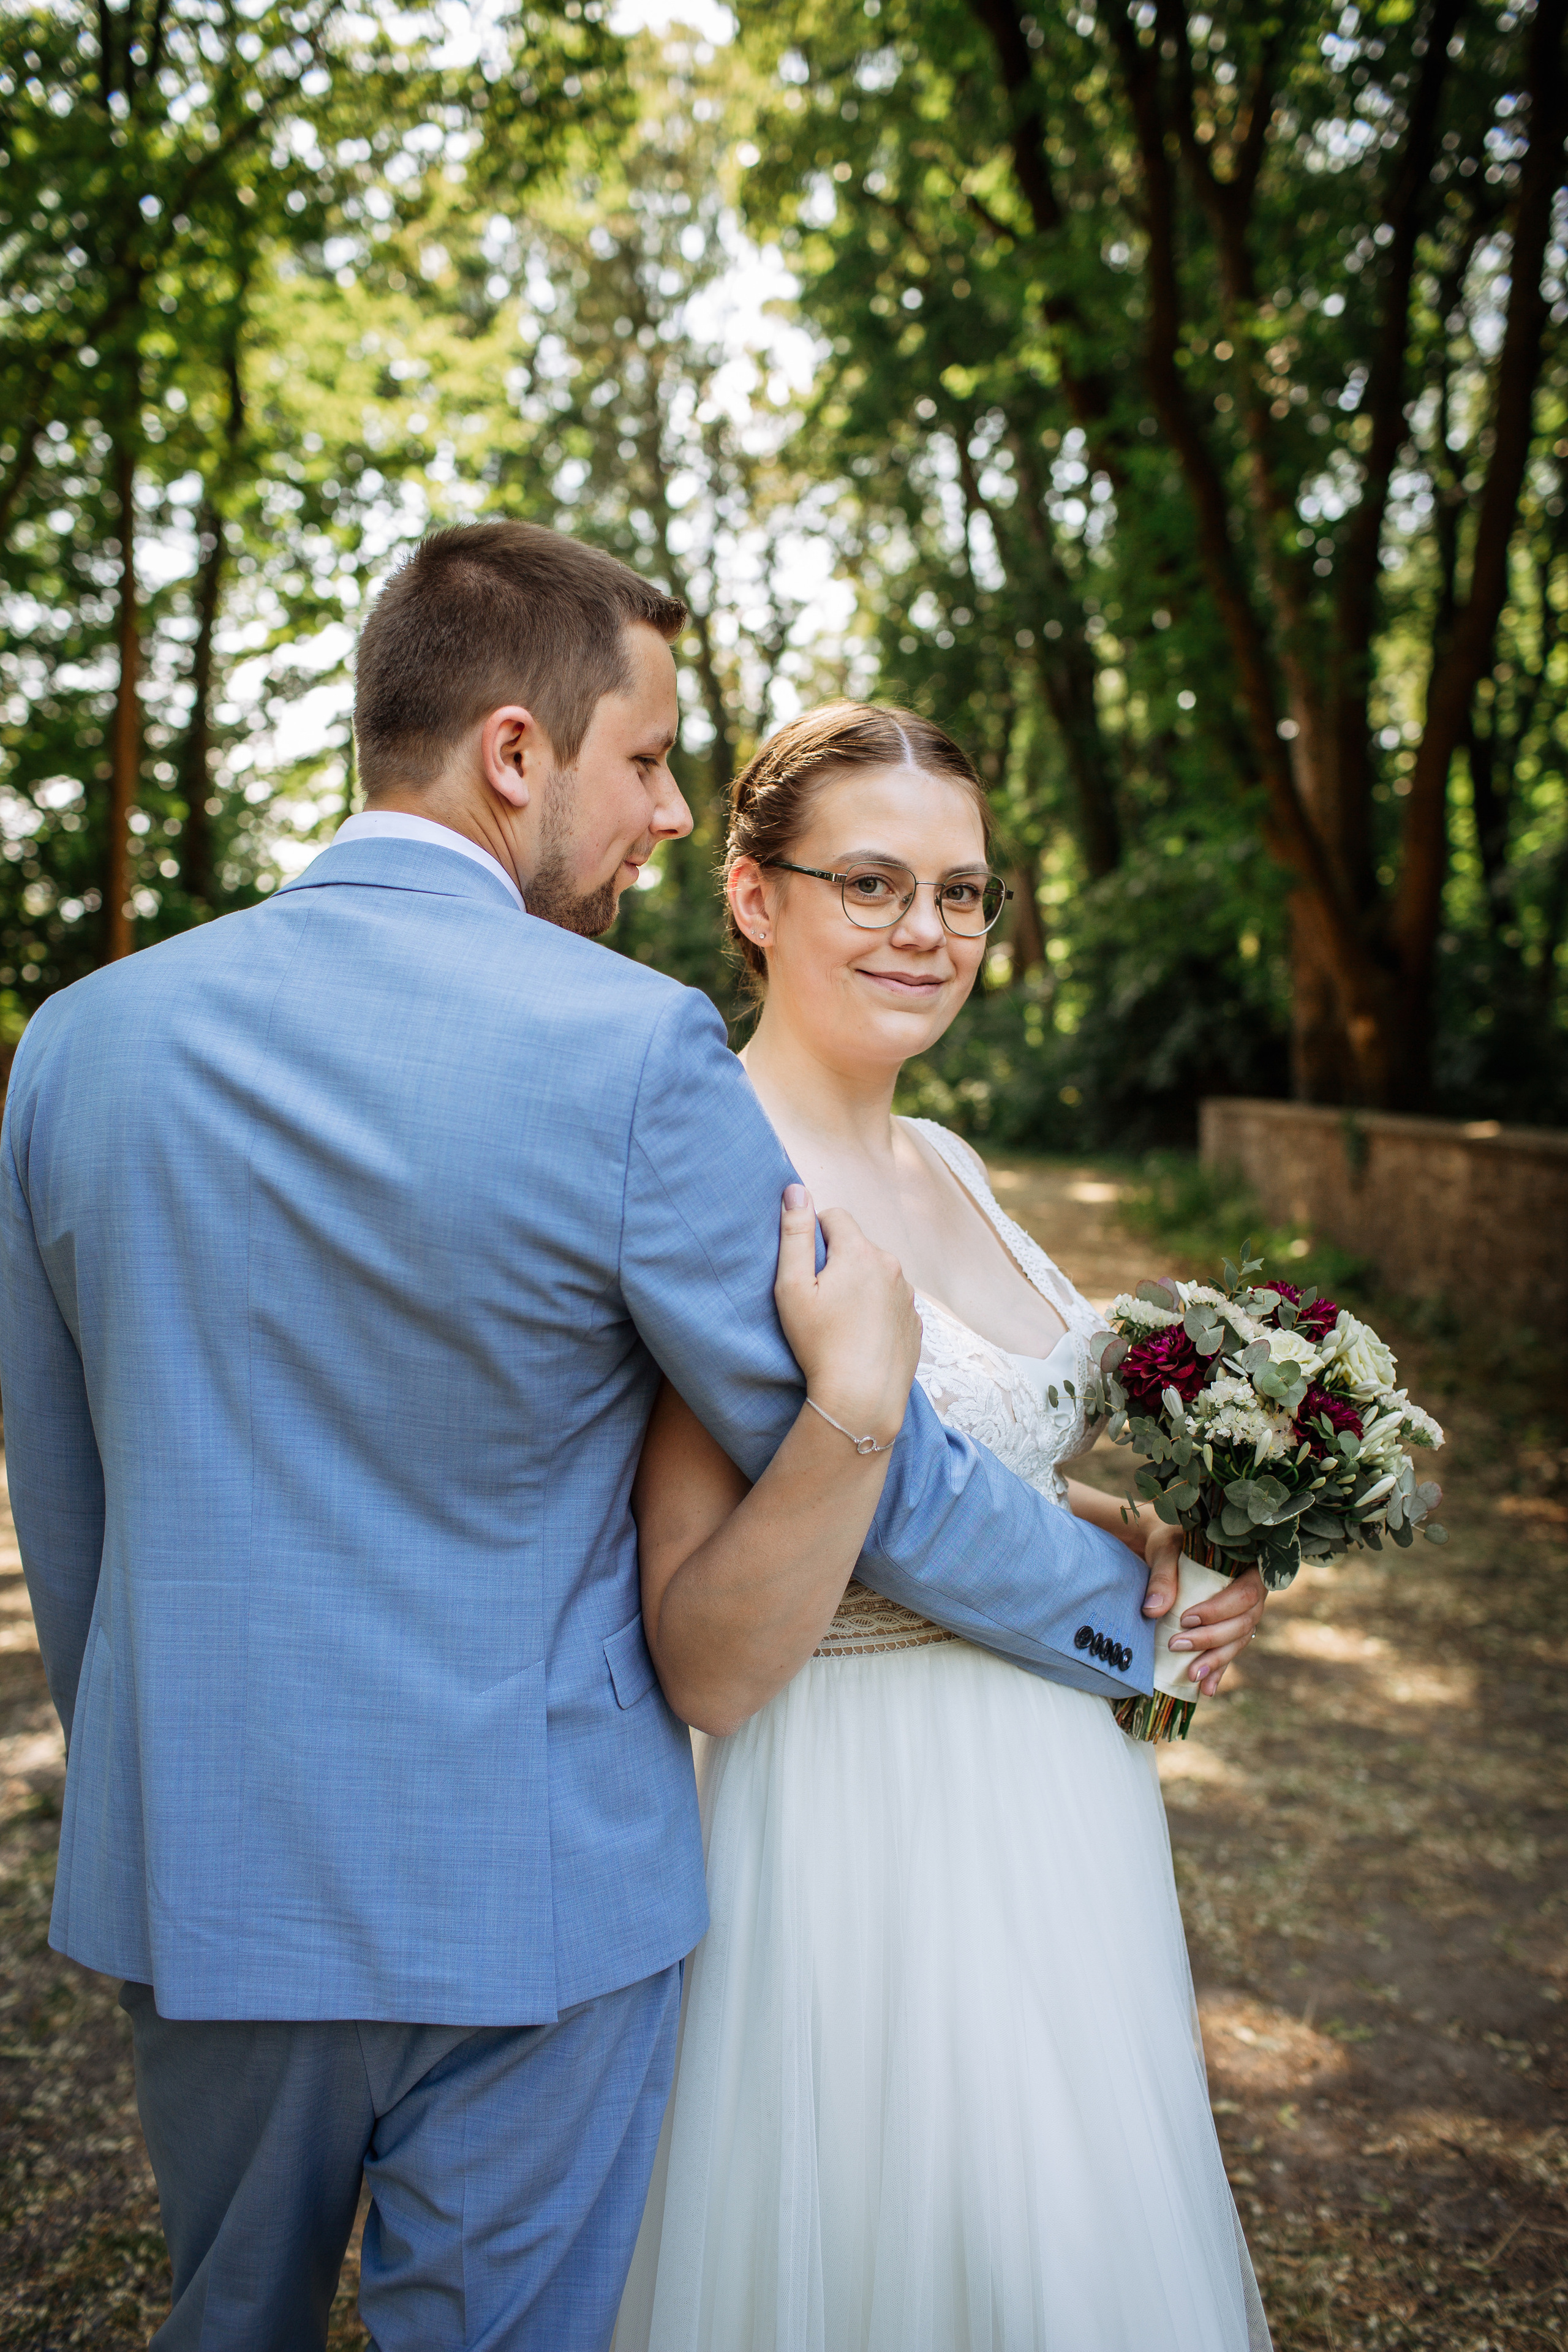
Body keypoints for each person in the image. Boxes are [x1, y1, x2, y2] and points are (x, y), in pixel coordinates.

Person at [0, 524, 1250, 2352]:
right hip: (538, 1894)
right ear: (517, 755)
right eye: (649, 760)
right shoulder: (633, 1045)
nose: (667, 813)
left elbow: (69, 1501)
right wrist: (1127, 1614)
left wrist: (148, 1776)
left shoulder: (81, 1046)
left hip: (206, 1865)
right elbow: (854, 1459)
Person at [614, 703, 1273, 2352]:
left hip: (1065, 1805)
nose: (931, 931)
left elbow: (1004, 1476)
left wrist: (1158, 1549)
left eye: (965, 892)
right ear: (755, 899)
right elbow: (701, 1654)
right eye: (874, 883)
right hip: (863, 1829)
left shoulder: (953, 1158)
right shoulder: (721, 1189)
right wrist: (852, 1410)